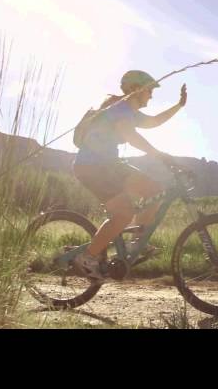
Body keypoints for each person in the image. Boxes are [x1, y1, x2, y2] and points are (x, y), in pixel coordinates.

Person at [72, 70, 187, 279]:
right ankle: (87, 258)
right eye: (149, 90)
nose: (151, 95)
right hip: (93, 167)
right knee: (124, 213)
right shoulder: (120, 108)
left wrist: (179, 106)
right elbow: (130, 136)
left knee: (154, 191)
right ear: (136, 89)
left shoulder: (130, 112)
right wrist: (160, 155)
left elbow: (153, 122)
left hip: (110, 165)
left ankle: (137, 243)